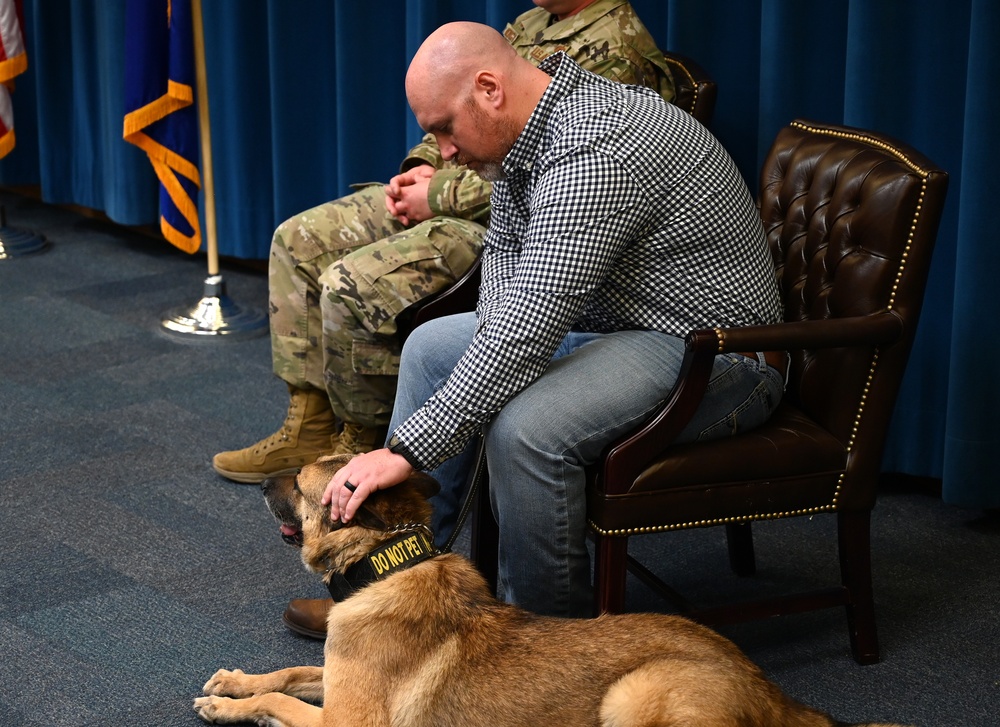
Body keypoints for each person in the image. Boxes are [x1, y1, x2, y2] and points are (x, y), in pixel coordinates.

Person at [323, 21, 785, 621]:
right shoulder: (527, 135)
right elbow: (505, 294)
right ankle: (403, 592)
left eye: (443, 128)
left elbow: (527, 326)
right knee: (433, 347)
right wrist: (467, 399)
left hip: (719, 354)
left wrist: (408, 450)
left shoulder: (595, 149)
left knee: (529, 431)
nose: (443, 151)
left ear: (489, 89)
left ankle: (542, 641)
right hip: (621, 328)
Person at [211, 0, 675, 485]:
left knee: (350, 284)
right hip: (466, 182)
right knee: (297, 240)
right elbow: (458, 103)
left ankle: (364, 442)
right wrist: (422, 166)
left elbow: (552, 175)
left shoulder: (616, 51)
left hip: (499, 211)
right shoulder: (535, 25)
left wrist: (438, 193)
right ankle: (310, 422)